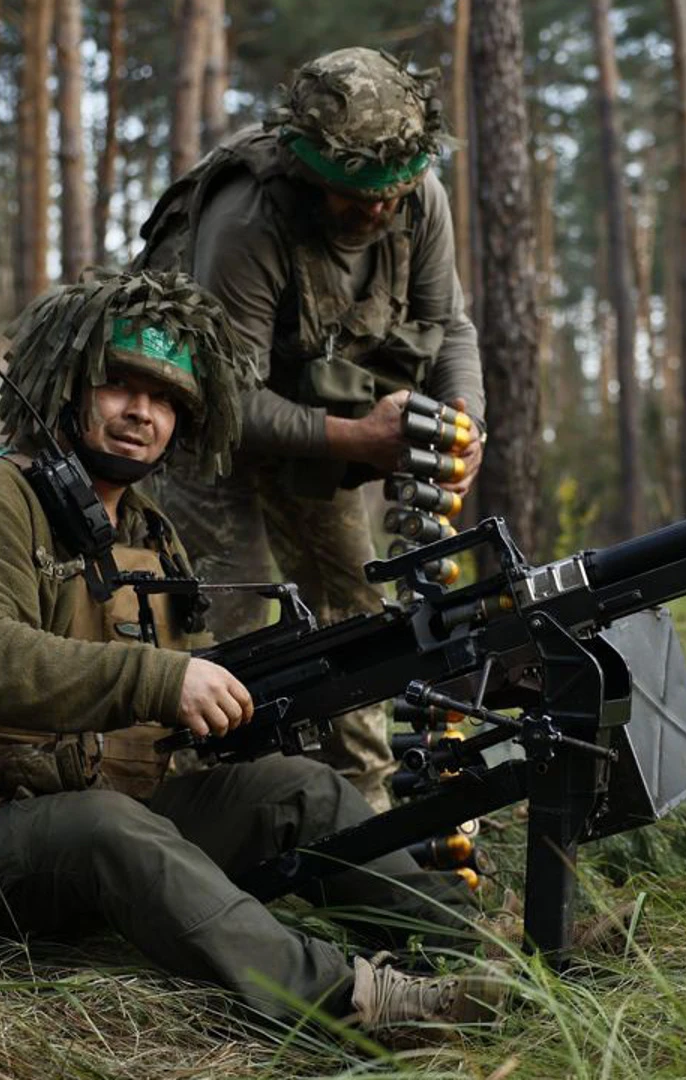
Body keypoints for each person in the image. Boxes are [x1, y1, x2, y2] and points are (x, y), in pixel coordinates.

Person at [0, 269, 501, 1032]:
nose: (144, 412)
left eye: (169, 399)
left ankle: (481, 959)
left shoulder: (148, 532)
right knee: (111, 826)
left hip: (104, 817)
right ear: (66, 383)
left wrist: (272, 697)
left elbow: (181, 709)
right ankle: (354, 1005)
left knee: (299, 791)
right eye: (120, 386)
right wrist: (162, 678)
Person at [136, 47, 485, 811]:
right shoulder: (248, 221)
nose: (379, 213)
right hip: (206, 430)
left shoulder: (418, 196)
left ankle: (358, 818)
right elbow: (226, 399)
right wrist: (357, 441)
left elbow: (448, 325)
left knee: (354, 611)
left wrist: (465, 425)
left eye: (392, 196)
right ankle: (191, 814)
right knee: (218, 618)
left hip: (322, 419)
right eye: (357, 199)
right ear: (311, 175)